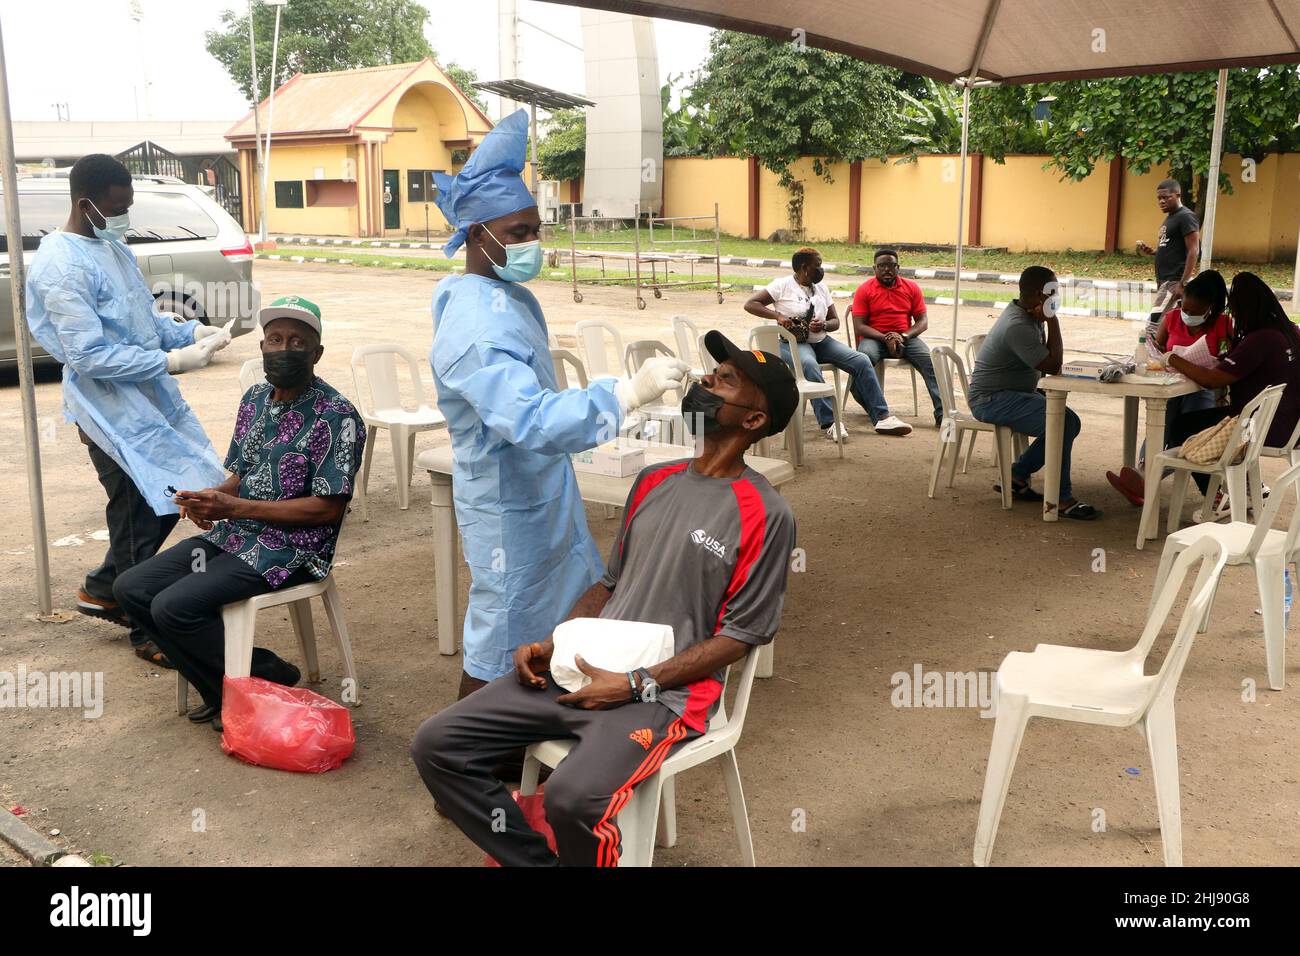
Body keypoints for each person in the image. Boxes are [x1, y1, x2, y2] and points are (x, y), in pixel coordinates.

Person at [411, 331, 798, 866]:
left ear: (754, 420)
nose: (706, 381)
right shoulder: (652, 480)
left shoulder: (766, 512)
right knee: (437, 744)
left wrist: (636, 683)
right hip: (586, 667)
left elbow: (742, 634)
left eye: (725, 381)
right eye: (713, 371)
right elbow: (609, 585)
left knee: (573, 798)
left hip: (666, 696)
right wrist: (555, 642)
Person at [430, 108, 689, 698]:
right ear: (478, 235)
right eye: (518, 233)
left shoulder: (502, 294)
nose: (532, 244)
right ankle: (467, 756)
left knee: (554, 623)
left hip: (540, 491)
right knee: (500, 631)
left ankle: (523, 741)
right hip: (506, 503)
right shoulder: (474, 323)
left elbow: (535, 395)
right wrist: (627, 392)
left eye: (535, 229)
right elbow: (529, 418)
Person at [113, 296, 365, 730]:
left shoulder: (337, 416)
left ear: (316, 353)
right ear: (262, 347)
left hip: (293, 550)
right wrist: (210, 499)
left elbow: (326, 509)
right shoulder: (255, 400)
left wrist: (235, 506)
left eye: (297, 342)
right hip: (235, 535)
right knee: (132, 588)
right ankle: (242, 681)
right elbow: (243, 472)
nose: (284, 349)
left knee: (175, 607)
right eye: (275, 339)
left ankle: (244, 684)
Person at [24, 153, 232, 667]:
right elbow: (88, 354)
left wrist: (187, 333)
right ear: (86, 203)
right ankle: (146, 627)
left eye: (129, 206)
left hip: (146, 399)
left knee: (163, 498)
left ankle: (104, 587)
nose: (125, 216)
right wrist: (172, 360)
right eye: (118, 207)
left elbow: (141, 316)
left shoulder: (109, 246)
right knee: (140, 509)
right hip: (106, 406)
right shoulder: (60, 266)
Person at [967, 266, 1102, 520]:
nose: (1058, 296)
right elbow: (1053, 365)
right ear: (1041, 295)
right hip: (992, 399)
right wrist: (1053, 319)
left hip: (1014, 393)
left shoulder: (1028, 316)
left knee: (1066, 421)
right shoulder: (1018, 325)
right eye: (1054, 292)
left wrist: (1046, 318)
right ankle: (1061, 499)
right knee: (1062, 422)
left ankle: (1018, 474)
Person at [1162, 273, 1300, 507]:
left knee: (1183, 426)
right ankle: (1240, 484)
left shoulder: (1260, 339)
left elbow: (1213, 380)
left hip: (1261, 428)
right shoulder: (1291, 332)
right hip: (1291, 424)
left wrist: (1172, 358)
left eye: (1235, 311)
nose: (1234, 317)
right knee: (1199, 420)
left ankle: (1216, 495)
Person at [745, 247, 911, 438]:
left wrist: (823, 324)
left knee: (861, 360)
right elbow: (751, 304)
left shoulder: (821, 288)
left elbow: (835, 321)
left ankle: (882, 417)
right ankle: (830, 422)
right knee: (809, 364)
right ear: (804, 267)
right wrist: (778, 315)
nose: (821, 270)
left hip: (822, 341)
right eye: (818, 266)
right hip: (792, 343)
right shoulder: (781, 285)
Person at [1106, 270, 1232, 506]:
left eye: (1194, 312)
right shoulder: (1172, 318)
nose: (1187, 315)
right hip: (1171, 383)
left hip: (1202, 387)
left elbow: (1229, 359)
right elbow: (1158, 347)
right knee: (1160, 421)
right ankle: (1144, 473)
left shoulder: (1224, 324)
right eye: (1185, 308)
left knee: (1190, 432)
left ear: (1210, 308)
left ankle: (1145, 480)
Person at [851, 248, 944, 426]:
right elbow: (859, 326)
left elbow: (922, 322)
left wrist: (903, 336)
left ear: (898, 267)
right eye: (882, 266)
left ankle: (942, 413)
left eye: (891, 265)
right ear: (874, 268)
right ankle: (872, 407)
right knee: (862, 360)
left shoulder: (911, 287)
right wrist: (885, 338)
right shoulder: (864, 290)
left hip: (906, 338)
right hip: (874, 338)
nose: (887, 269)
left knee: (930, 361)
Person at [1136, 179, 1200, 328]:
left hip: (1174, 281)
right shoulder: (1171, 218)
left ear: (1178, 195)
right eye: (1159, 198)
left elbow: (1193, 249)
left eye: (1166, 197)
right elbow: (1173, 247)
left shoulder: (1186, 216)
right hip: (1164, 280)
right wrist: (1153, 252)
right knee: (1171, 326)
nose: (1162, 201)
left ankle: (1147, 351)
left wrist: (1182, 283)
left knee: (1153, 325)